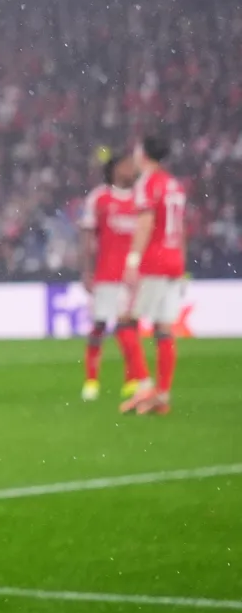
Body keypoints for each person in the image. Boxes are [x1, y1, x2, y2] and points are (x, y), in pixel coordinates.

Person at [122, 135, 188, 415]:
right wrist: (181, 263)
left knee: (126, 323)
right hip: (174, 261)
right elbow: (180, 227)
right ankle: (161, 395)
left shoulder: (147, 183)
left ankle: (145, 386)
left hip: (155, 262)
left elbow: (146, 223)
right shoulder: (174, 185)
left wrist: (133, 260)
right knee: (163, 329)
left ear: (144, 154)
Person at [76, 152, 144, 401]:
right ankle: (91, 380)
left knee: (130, 329)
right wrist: (86, 270)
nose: (130, 169)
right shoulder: (99, 197)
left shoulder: (141, 198)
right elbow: (87, 236)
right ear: (114, 169)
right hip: (106, 275)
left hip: (132, 277)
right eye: (126, 165)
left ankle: (131, 381)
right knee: (99, 326)